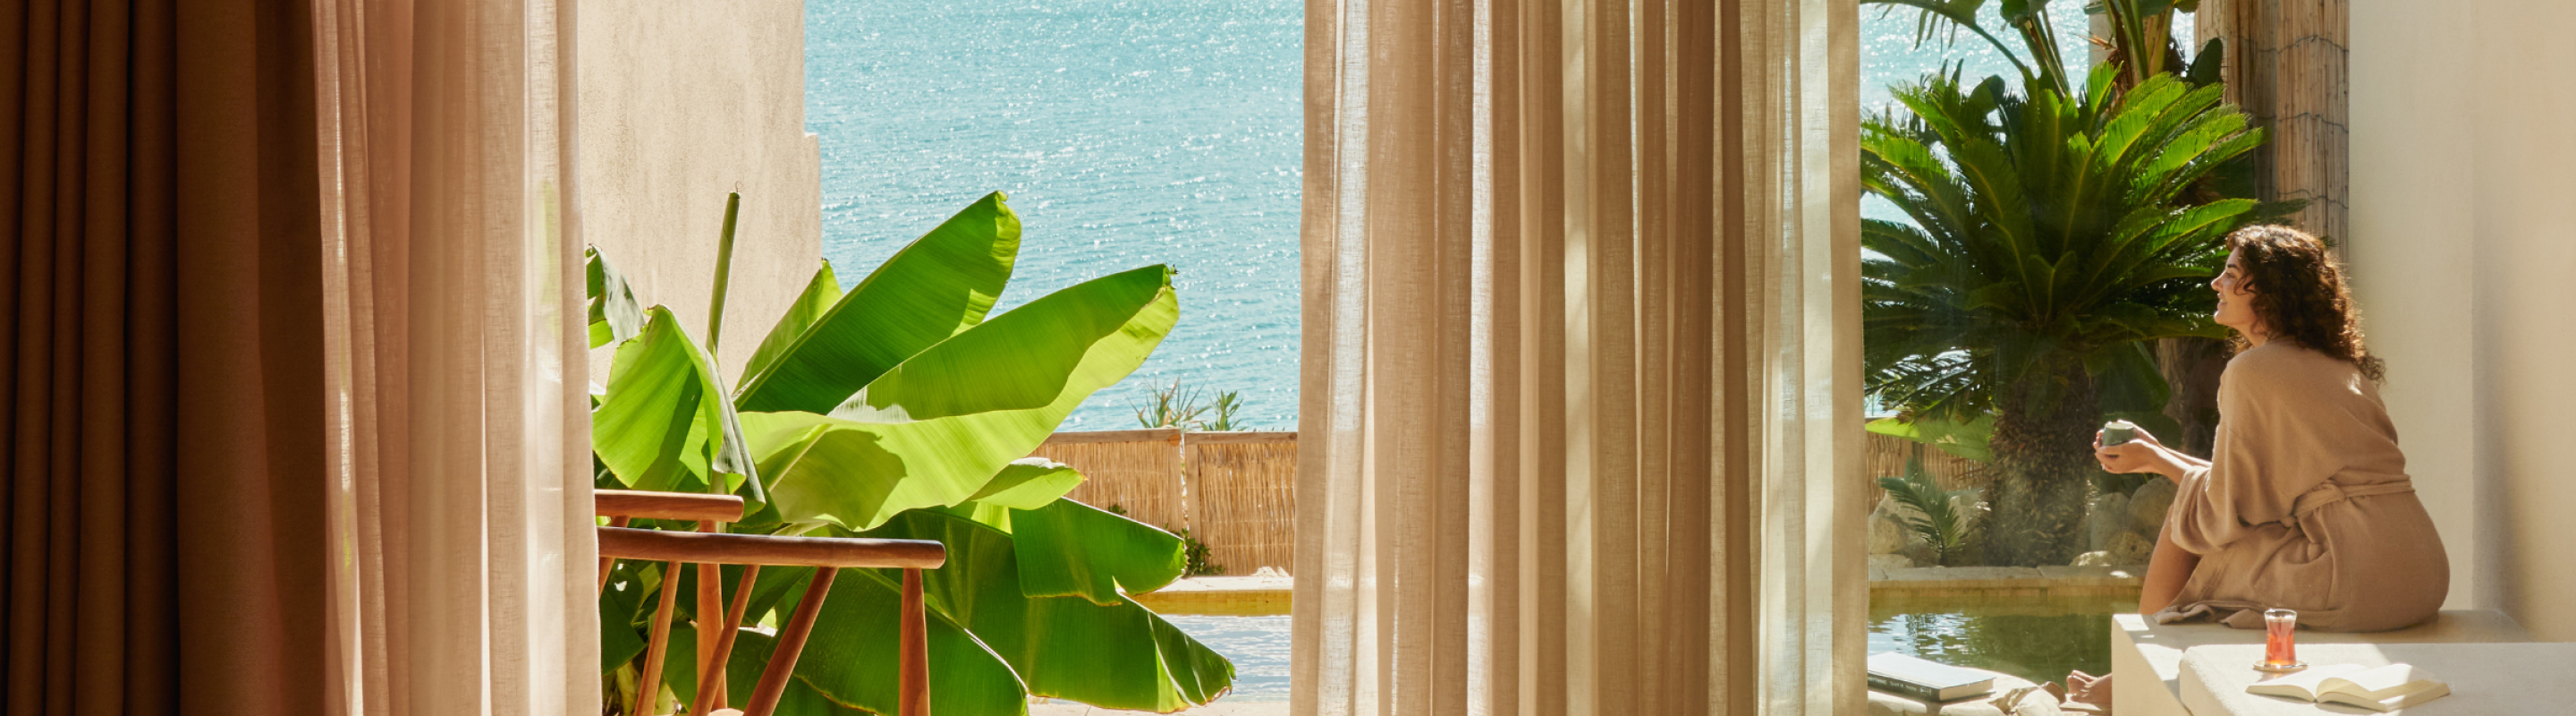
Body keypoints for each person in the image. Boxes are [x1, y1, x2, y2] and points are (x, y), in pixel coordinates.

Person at [2055, 226, 2451, 711]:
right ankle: (2131, 673)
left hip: (2356, 576)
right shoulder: (2339, 367)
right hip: (2422, 573)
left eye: (2230, 274)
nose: (2215, 283)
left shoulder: (2253, 370)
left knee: (2185, 514)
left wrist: (2157, 463)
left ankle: (2134, 678)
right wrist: (2158, 454)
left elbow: (2226, 505)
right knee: (2194, 505)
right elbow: (2244, 487)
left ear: (2266, 289)